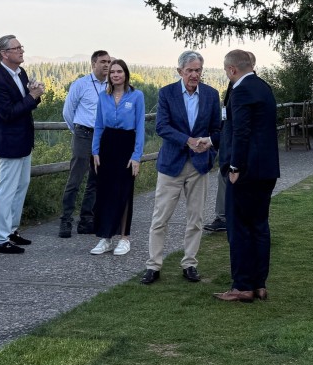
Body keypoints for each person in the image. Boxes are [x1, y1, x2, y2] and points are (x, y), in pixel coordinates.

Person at [141, 51, 221, 284]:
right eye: (190, 71)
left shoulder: (211, 94)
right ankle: (153, 265)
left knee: (195, 219)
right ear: (180, 71)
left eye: (198, 70)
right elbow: (162, 127)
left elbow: (217, 129)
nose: (194, 75)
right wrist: (187, 140)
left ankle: (189, 264)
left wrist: (208, 147)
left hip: (199, 166)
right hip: (171, 165)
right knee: (160, 218)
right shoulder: (167, 93)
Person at [215, 49, 280, 302]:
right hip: (266, 169)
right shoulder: (264, 87)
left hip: (246, 171)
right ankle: (259, 284)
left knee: (239, 228)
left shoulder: (240, 90)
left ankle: (242, 286)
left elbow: (241, 131)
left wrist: (235, 167)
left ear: (232, 70)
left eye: (225, 70)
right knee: (260, 227)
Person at [0, 35, 44, 254]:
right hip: (9, 143)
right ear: (4, 53)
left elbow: (26, 105)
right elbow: (8, 113)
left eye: (21, 46)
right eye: (16, 48)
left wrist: (34, 94)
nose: (21, 51)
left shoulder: (21, 73)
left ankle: (11, 231)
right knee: (6, 190)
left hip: (24, 141)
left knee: (21, 187)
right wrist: (32, 96)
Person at [90, 59, 145, 256]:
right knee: (104, 192)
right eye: (112, 72)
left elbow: (140, 127)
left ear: (125, 74)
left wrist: (137, 155)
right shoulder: (103, 97)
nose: (115, 75)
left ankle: (124, 238)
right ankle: (105, 238)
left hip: (126, 145)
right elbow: (98, 125)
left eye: (119, 71)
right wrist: (95, 151)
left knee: (124, 192)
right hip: (107, 144)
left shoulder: (136, 96)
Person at [58, 50, 111, 238]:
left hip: (103, 136)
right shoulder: (81, 84)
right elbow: (67, 111)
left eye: (109, 62)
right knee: (76, 178)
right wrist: (77, 131)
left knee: (95, 180)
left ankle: (86, 220)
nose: (107, 65)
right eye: (103, 61)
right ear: (93, 64)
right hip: (83, 133)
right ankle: (65, 220)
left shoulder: (111, 85)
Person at [204, 51, 256, 233]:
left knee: (230, 179)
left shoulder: (244, 89)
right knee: (224, 177)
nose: (227, 73)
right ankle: (227, 217)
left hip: (238, 150)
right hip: (229, 145)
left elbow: (240, 128)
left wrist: (234, 162)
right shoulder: (236, 85)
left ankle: (227, 218)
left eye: (227, 69)